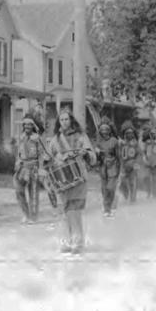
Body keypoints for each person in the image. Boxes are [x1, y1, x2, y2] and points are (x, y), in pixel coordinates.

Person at [48, 108, 96, 254]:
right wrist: (55, 161)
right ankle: (66, 241)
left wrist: (84, 152)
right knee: (65, 210)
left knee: (75, 210)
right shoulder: (55, 140)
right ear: (58, 122)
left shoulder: (81, 136)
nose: (64, 122)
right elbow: (48, 158)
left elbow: (91, 155)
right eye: (61, 120)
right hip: (62, 179)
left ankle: (78, 242)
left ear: (71, 120)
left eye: (66, 119)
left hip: (78, 176)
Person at [14, 114, 46, 224]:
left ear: (33, 126)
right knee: (18, 190)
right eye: (25, 124)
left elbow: (41, 155)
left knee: (33, 193)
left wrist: (41, 169)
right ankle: (26, 214)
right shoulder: (21, 137)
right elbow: (18, 153)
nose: (27, 126)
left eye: (29, 124)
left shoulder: (37, 139)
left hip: (34, 167)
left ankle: (33, 217)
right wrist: (17, 162)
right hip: (22, 167)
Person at [95, 117, 121, 217]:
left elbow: (118, 157)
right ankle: (107, 208)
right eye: (102, 129)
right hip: (102, 168)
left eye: (106, 129)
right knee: (104, 189)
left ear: (110, 130)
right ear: (100, 131)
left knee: (111, 188)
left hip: (113, 167)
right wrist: (97, 153)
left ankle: (109, 206)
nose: (104, 131)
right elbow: (96, 160)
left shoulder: (114, 141)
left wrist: (119, 170)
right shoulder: (98, 142)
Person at [119, 122, 141, 203]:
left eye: (131, 133)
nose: (129, 135)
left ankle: (133, 199)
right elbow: (119, 155)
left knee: (133, 182)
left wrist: (136, 163)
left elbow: (139, 154)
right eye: (127, 133)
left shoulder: (135, 143)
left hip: (133, 164)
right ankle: (126, 193)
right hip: (124, 165)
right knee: (122, 181)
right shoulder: (121, 143)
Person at [142, 125, 156, 199]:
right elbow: (144, 152)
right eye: (151, 133)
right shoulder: (147, 143)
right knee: (146, 177)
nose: (153, 135)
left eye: (154, 133)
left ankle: (155, 193)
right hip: (148, 163)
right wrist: (145, 159)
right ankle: (148, 192)